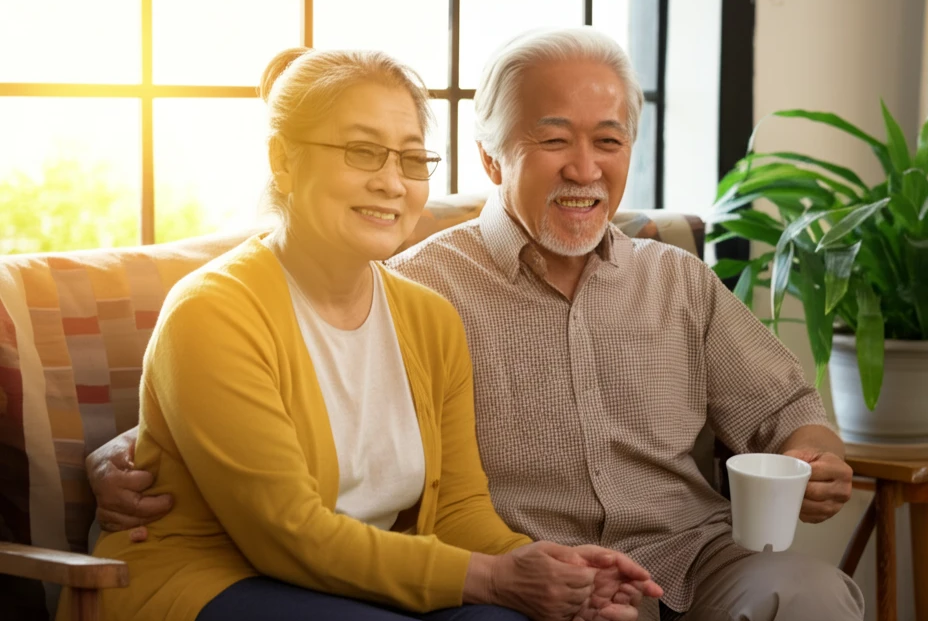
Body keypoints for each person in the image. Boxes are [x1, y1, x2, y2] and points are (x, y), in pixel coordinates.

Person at [87, 29, 865, 621]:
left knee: (811, 598)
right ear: (491, 160)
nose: (585, 168)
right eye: (553, 140)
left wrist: (815, 453)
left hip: (684, 553)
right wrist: (126, 447)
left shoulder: (665, 280)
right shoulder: (420, 282)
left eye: (608, 140)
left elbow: (788, 411)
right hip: (438, 569)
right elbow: (262, 416)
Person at [60, 47, 662, 621]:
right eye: (362, 152)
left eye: (410, 158)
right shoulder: (212, 311)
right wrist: (497, 579)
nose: (392, 182)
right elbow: (288, 534)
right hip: (209, 579)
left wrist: (557, 575)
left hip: (360, 586)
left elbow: (457, 512)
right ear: (283, 160)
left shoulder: (430, 319)